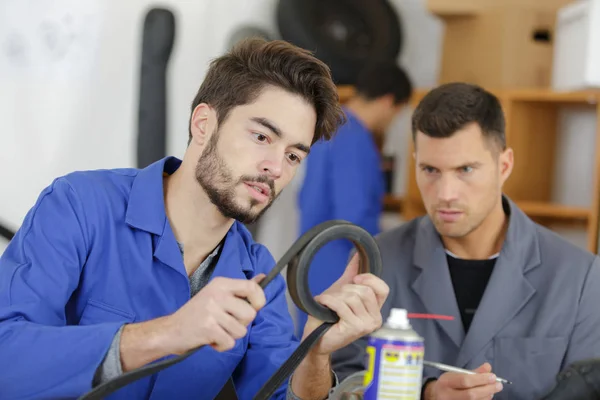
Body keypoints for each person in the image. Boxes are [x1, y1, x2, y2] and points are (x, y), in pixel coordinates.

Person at [0, 39, 390, 400]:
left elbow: (281, 394)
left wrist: (315, 352)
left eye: (293, 155)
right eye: (261, 137)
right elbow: (7, 354)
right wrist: (166, 334)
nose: (275, 167)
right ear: (204, 124)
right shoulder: (80, 206)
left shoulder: (257, 273)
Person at [331, 82, 600, 400]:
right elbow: (341, 383)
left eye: (465, 169)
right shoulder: (377, 260)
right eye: (430, 169)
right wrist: (425, 395)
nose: (445, 194)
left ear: (504, 166)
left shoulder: (581, 278)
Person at [295, 62, 412, 335]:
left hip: (310, 263)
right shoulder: (355, 138)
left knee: (306, 353)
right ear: (388, 102)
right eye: (397, 113)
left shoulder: (327, 128)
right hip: (340, 266)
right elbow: (354, 217)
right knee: (333, 360)